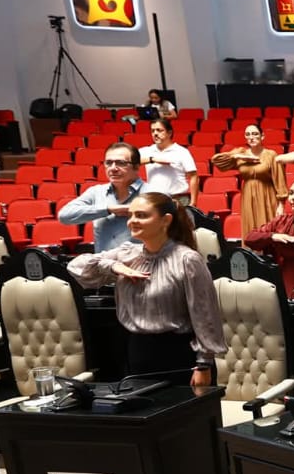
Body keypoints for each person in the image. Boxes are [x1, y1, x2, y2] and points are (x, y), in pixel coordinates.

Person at [68, 192, 226, 386]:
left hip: (180, 356)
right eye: (131, 215)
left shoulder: (187, 259)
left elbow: (205, 315)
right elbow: (75, 266)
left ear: (165, 220)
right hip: (136, 352)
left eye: (141, 215)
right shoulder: (128, 253)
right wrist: (112, 266)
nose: (132, 221)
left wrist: (204, 364)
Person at [56, 143, 145, 253]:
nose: (113, 168)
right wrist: (107, 209)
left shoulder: (153, 192)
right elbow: (64, 216)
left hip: (141, 262)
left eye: (121, 163)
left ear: (136, 167)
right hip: (103, 262)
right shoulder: (96, 192)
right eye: (108, 163)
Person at [213, 123, 285, 233]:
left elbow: (279, 179)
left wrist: (281, 205)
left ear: (262, 136)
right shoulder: (241, 153)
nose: (251, 137)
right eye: (248, 134)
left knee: (268, 227)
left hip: (267, 194)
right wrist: (236, 156)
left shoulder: (271, 155)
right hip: (248, 195)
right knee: (250, 228)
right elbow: (216, 160)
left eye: (255, 134)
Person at [139, 120, 199, 210]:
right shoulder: (146, 151)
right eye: (152, 131)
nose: (155, 133)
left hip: (178, 199)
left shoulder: (182, 151)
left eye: (159, 130)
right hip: (155, 200)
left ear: (169, 133)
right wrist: (152, 159)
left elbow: (193, 176)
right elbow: (129, 162)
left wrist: (193, 203)